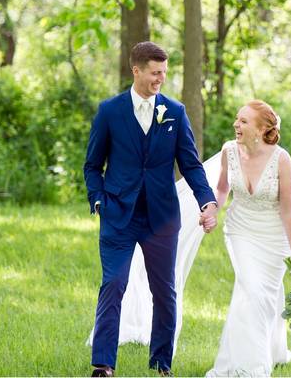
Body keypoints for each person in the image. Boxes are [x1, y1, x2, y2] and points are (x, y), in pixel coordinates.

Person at [84, 41, 218, 377]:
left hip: (161, 217)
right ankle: (103, 364)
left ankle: (161, 364)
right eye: (155, 72)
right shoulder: (110, 111)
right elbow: (92, 165)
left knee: (164, 290)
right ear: (137, 70)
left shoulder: (175, 111)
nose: (160, 78)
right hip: (118, 214)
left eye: (164, 73)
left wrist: (207, 201)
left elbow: (191, 164)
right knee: (113, 284)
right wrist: (98, 198)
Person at [206, 100, 291, 377]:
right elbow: (222, 189)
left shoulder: (281, 159)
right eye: (237, 120)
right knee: (251, 289)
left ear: (263, 129)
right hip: (239, 231)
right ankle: (251, 368)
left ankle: (271, 350)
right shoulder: (229, 151)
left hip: (273, 238)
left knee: (263, 296)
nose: (236, 125)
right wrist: (213, 210)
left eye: (244, 121)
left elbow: (288, 211)